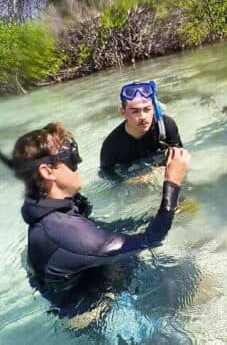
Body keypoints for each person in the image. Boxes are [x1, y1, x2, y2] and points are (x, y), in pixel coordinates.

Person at [3, 122, 189, 310]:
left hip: (94, 279)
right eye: (70, 157)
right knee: (187, 278)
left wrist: (146, 217)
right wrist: (172, 184)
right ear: (47, 171)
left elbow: (104, 233)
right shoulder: (65, 232)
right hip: (101, 315)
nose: (79, 162)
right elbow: (151, 239)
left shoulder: (50, 211)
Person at [100, 81, 183, 178]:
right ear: (123, 112)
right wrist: (131, 182)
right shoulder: (111, 145)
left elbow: (180, 156)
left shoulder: (165, 126)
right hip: (131, 175)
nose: (143, 116)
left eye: (147, 109)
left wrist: (162, 169)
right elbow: (106, 173)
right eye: (135, 112)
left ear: (154, 108)